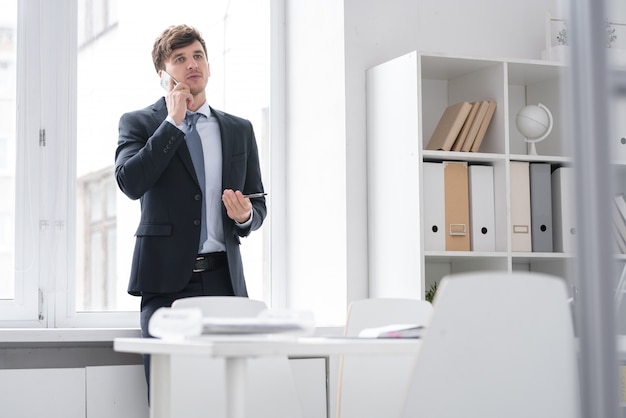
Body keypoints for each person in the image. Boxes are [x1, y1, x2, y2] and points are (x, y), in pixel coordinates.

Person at [114, 24, 266, 387]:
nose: (192, 64)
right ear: (163, 75)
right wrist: (173, 123)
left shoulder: (239, 129)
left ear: (209, 66)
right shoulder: (139, 123)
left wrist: (245, 217)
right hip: (165, 285)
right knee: (171, 396)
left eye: (198, 56)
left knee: (228, 397)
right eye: (179, 59)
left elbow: (257, 203)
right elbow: (130, 183)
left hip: (223, 281)